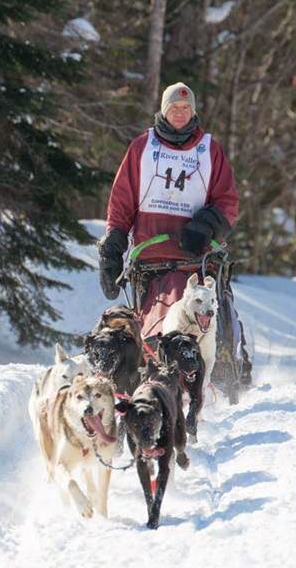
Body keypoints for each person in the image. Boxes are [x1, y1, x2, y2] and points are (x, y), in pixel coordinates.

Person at [97, 83, 246, 368]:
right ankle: (153, 355)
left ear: (193, 112)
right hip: (151, 255)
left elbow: (228, 201)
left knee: (200, 304)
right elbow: (122, 201)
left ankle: (220, 358)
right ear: (164, 111)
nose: (180, 113)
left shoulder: (209, 150)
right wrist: (113, 244)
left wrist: (205, 224)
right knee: (149, 312)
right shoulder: (142, 147)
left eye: (185, 108)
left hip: (196, 256)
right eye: (174, 108)